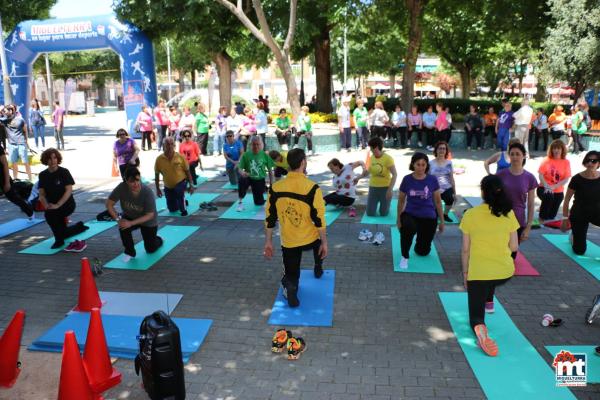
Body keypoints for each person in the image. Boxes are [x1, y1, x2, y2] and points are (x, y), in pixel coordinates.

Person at [460, 174, 519, 357]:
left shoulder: (470, 215)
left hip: (479, 274)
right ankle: (489, 295)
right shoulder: (509, 213)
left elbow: (465, 250)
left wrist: (465, 273)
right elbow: (514, 247)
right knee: (490, 280)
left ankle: (481, 331)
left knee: (476, 316)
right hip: (505, 272)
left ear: (483, 192)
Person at [264, 148, 328, 308]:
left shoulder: (275, 188)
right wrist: (325, 242)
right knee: (318, 244)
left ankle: (291, 288)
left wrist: (268, 242)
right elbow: (319, 219)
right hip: (310, 238)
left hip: (289, 241)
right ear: (303, 163)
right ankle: (318, 267)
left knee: (292, 273)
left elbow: (270, 218)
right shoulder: (313, 188)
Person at [396, 152, 445, 269]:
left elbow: (438, 202)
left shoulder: (432, 179)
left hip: (428, 217)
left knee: (422, 252)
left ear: (427, 165)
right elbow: (401, 201)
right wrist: (398, 220)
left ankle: (420, 241)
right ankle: (405, 256)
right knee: (407, 229)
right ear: (413, 164)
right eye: (418, 164)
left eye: (423, 165)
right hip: (410, 214)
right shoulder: (407, 179)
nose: (421, 168)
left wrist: (442, 221)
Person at [106, 167, 163, 262]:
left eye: (137, 180)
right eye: (132, 181)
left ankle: (158, 239)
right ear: (126, 181)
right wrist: (118, 219)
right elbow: (109, 204)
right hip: (130, 216)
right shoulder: (121, 187)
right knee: (123, 226)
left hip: (148, 220)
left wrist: (131, 223)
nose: (136, 184)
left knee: (150, 249)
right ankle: (130, 252)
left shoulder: (147, 192)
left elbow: (150, 215)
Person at [38, 148, 88, 250]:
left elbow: (68, 191)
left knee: (50, 215)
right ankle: (79, 227)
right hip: (52, 205)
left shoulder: (64, 172)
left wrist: (58, 205)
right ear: (45, 160)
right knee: (63, 232)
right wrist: (46, 205)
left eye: (55, 158)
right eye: (50, 159)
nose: (53, 161)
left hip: (66, 204)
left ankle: (58, 241)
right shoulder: (43, 175)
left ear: (58, 159)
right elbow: (41, 194)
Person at [497, 142, 537, 257]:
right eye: (512, 154)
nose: (515, 157)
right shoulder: (500, 175)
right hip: (501, 217)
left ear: (524, 156)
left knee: (511, 255)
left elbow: (530, 204)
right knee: (500, 251)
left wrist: (528, 227)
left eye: (518, 154)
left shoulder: (529, 177)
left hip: (518, 220)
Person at [561, 151, 600, 255]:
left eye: (594, 161)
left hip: (597, 213)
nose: (590, 163)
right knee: (579, 251)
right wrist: (565, 219)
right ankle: (573, 235)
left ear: (598, 163)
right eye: (588, 160)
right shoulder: (577, 179)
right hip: (579, 214)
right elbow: (567, 200)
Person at [154, 137, 195, 216]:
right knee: (172, 209)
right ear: (163, 145)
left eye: (171, 144)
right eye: (167, 144)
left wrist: (191, 185)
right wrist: (158, 189)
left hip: (181, 182)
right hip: (168, 185)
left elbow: (187, 171)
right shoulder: (159, 159)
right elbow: (156, 175)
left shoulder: (180, 157)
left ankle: (183, 208)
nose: (169, 146)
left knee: (179, 192)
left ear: (174, 145)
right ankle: (182, 201)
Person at [235, 135, 274, 211]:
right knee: (242, 180)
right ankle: (240, 202)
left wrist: (272, 183)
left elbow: (270, 170)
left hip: (259, 179)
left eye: (257, 144)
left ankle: (262, 194)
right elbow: (239, 168)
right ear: (250, 145)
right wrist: (242, 172)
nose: (256, 146)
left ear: (261, 145)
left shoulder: (265, 155)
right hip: (248, 177)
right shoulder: (246, 155)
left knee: (259, 203)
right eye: (254, 144)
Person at [537, 140, 571, 224]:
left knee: (551, 216)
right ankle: (541, 217)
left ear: (562, 150)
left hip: (557, 190)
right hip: (543, 188)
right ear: (551, 150)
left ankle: (546, 207)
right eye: (554, 148)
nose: (556, 150)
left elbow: (566, 179)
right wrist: (546, 186)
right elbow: (540, 175)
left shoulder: (566, 162)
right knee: (548, 197)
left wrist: (554, 187)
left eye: (558, 148)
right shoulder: (546, 160)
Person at [366, 137, 397, 220]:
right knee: (370, 213)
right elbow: (367, 171)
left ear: (376, 147)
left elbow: (394, 174)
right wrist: (358, 177)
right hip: (373, 187)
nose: (371, 150)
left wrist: (390, 190)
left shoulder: (388, 158)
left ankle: (387, 204)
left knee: (383, 213)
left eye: (371, 148)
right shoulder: (370, 157)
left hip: (385, 188)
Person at [0, 143, 34, 217]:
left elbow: (5, 164)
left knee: (14, 198)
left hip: (2, 178)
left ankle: (30, 212)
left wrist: (7, 182)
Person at [0, 104, 32, 181]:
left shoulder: (20, 119)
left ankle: (30, 178)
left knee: (25, 162)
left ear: (11, 111)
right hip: (11, 145)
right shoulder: (4, 120)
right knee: (14, 162)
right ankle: (15, 178)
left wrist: (26, 142)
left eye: (5, 111)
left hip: (21, 143)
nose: (4, 112)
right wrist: (1, 109)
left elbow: (25, 131)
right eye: (3, 111)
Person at [430, 141, 456, 223]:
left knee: (450, 200)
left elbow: (451, 178)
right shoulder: (430, 163)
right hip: (434, 188)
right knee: (434, 209)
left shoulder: (449, 163)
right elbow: (427, 177)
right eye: (440, 148)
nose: (442, 150)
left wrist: (454, 192)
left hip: (447, 187)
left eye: (444, 149)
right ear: (436, 150)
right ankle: (436, 213)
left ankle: (445, 214)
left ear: (446, 151)